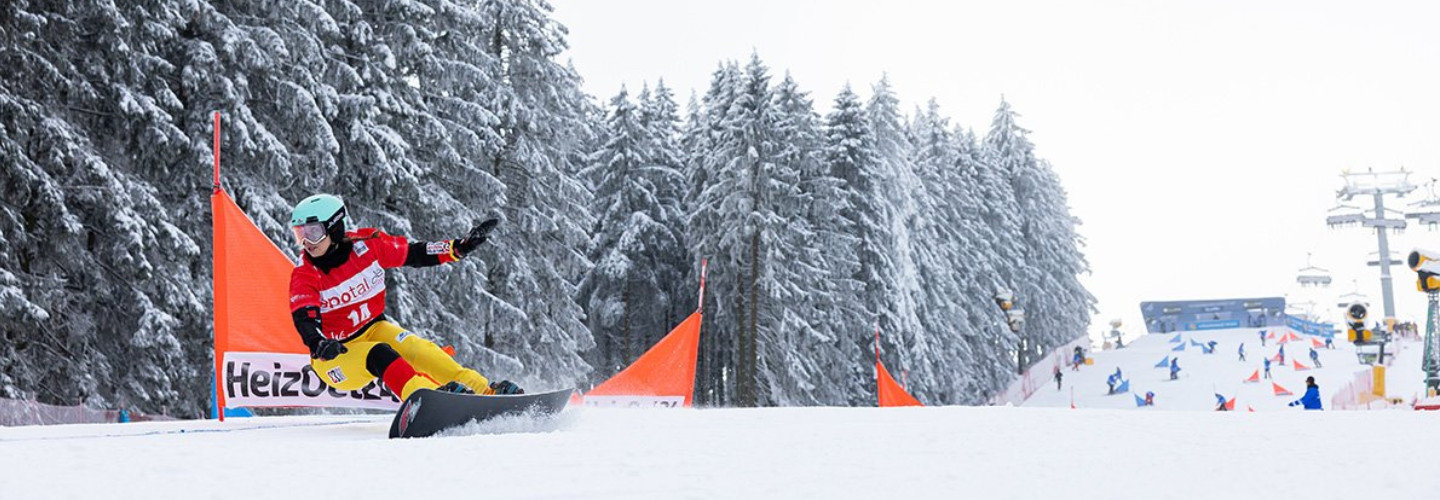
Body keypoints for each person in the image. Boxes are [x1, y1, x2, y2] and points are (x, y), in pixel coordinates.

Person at [286, 194, 522, 403]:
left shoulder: (368, 247)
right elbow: (304, 317)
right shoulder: (305, 273)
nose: (306, 243)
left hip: (373, 328)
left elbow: (415, 253)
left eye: (313, 233)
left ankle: (484, 392)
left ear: (335, 228)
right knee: (378, 352)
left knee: (419, 350)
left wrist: (457, 248)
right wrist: (318, 343)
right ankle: (431, 399)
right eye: (300, 235)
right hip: (336, 355)